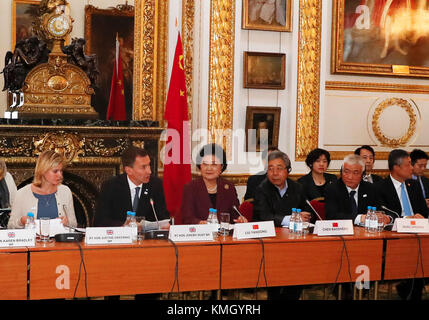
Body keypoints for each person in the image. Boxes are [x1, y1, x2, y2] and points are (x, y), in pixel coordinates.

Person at [253, 150, 311, 300]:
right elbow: (264, 217)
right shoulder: (261, 189)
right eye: (270, 168)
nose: (274, 173)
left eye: (279, 168)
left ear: (288, 170)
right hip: (270, 243)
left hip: (295, 243)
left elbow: (307, 212)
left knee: (298, 272)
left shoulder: (297, 188)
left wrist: (304, 217)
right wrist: (291, 219)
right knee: (276, 278)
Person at [377, 149, 428, 301]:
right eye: (408, 165)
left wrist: (419, 218)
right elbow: (384, 215)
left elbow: (423, 212)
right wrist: (406, 219)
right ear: (396, 168)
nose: (412, 168)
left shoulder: (414, 185)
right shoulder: (380, 187)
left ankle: (410, 288)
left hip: (418, 234)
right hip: (395, 237)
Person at [94, 146, 170, 227]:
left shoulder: (155, 185)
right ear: (128, 170)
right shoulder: (111, 186)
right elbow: (100, 221)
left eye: (149, 165)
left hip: (146, 238)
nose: (149, 171)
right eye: (143, 167)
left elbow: (162, 218)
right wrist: (123, 225)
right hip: (120, 238)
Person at [181, 143, 247, 225]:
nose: (209, 168)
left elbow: (235, 215)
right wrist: (200, 223)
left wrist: (240, 218)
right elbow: (187, 218)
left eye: (214, 164)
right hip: (200, 235)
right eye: (205, 164)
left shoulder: (228, 187)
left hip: (224, 235)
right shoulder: (191, 188)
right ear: (200, 166)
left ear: (221, 167)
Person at [8, 150, 77, 229]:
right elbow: (10, 226)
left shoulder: (65, 191)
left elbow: (74, 224)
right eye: (55, 171)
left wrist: (67, 222)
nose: (60, 175)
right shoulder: (22, 193)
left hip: (59, 241)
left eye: (61, 171)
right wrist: (21, 221)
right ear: (43, 170)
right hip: (32, 241)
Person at [325, 154, 390, 225]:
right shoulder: (332, 189)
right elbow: (331, 216)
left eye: (355, 173)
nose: (350, 177)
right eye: (346, 172)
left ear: (362, 175)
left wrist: (386, 218)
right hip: (343, 232)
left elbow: (381, 210)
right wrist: (359, 218)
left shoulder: (371, 189)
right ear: (341, 172)